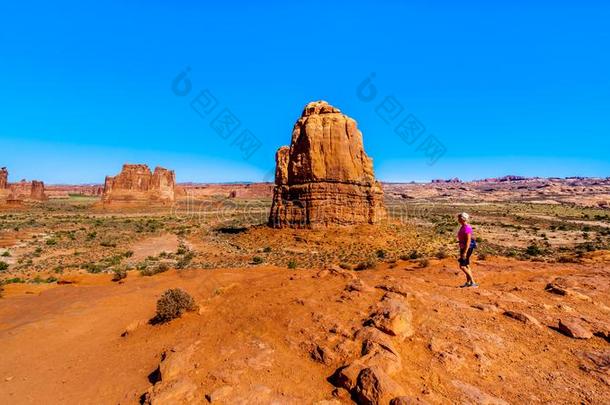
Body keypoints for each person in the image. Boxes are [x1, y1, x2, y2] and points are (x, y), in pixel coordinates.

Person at [457, 212, 478, 288]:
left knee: (462, 266)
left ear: (463, 219)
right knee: (467, 265)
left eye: (459, 218)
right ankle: (468, 282)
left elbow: (468, 241)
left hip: (466, 248)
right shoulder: (463, 226)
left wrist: (465, 252)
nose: (458, 219)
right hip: (464, 247)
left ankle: (473, 282)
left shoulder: (467, 227)